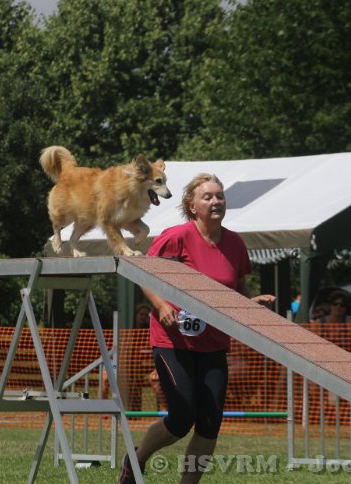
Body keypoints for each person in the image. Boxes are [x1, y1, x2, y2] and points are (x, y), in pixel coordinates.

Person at [119, 173, 275, 484]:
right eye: (208, 197)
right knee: (182, 416)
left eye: (220, 196)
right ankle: (136, 460)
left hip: (214, 343)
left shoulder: (234, 243)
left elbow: (237, 284)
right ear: (192, 206)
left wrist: (250, 301)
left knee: (209, 423)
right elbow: (144, 274)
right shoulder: (177, 237)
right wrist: (161, 305)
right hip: (173, 341)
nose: (216, 201)